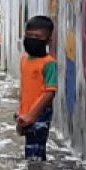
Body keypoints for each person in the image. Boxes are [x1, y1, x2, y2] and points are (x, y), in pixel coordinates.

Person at [17, 16, 58, 162]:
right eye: (29, 35)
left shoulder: (49, 63)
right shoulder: (24, 60)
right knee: (32, 150)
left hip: (40, 113)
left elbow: (50, 93)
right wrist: (21, 113)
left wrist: (32, 115)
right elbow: (24, 89)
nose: (32, 39)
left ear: (48, 40)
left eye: (38, 37)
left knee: (35, 155)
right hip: (27, 113)